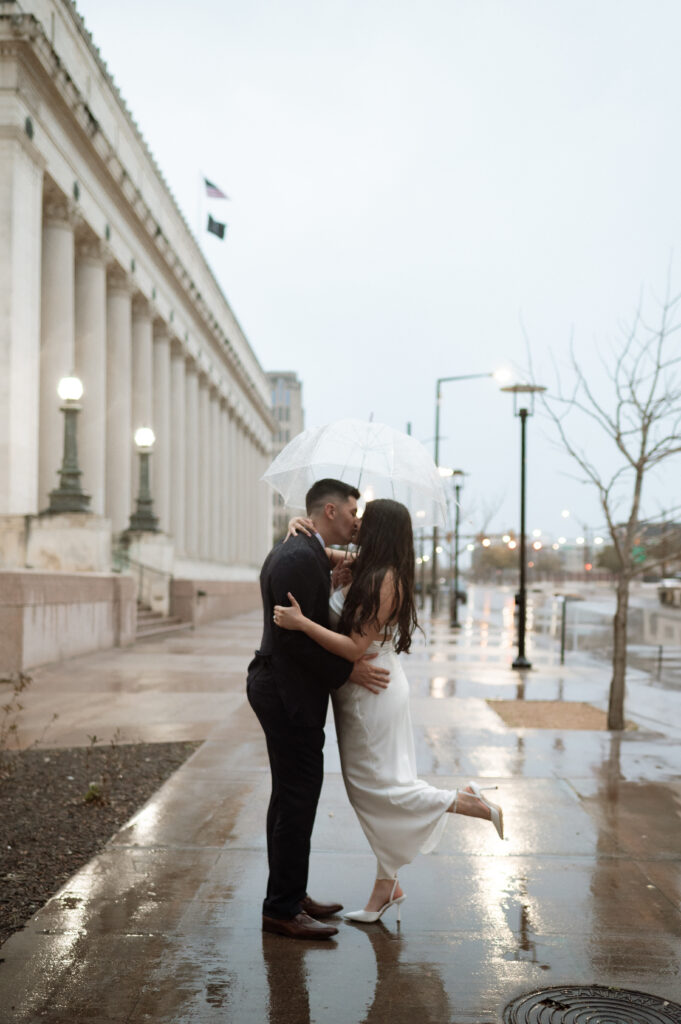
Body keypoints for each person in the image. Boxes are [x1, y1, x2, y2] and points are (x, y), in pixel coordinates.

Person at [275, 498, 505, 923]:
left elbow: (353, 647)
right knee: (384, 783)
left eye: (366, 518)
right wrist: (298, 523)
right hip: (367, 687)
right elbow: (317, 549)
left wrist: (302, 622)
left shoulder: (383, 578)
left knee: (377, 789)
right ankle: (387, 887)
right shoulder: (370, 565)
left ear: (379, 528)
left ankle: (466, 801)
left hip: (371, 691)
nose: (356, 522)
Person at [247, 478, 391, 941]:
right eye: (352, 511)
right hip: (286, 691)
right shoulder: (296, 556)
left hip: (288, 687)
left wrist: (332, 573)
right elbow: (295, 643)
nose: (356, 519)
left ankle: (290, 894)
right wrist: (348, 672)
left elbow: (309, 612)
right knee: (296, 798)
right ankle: (282, 908)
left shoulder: (305, 549)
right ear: (329, 511)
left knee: (292, 798)